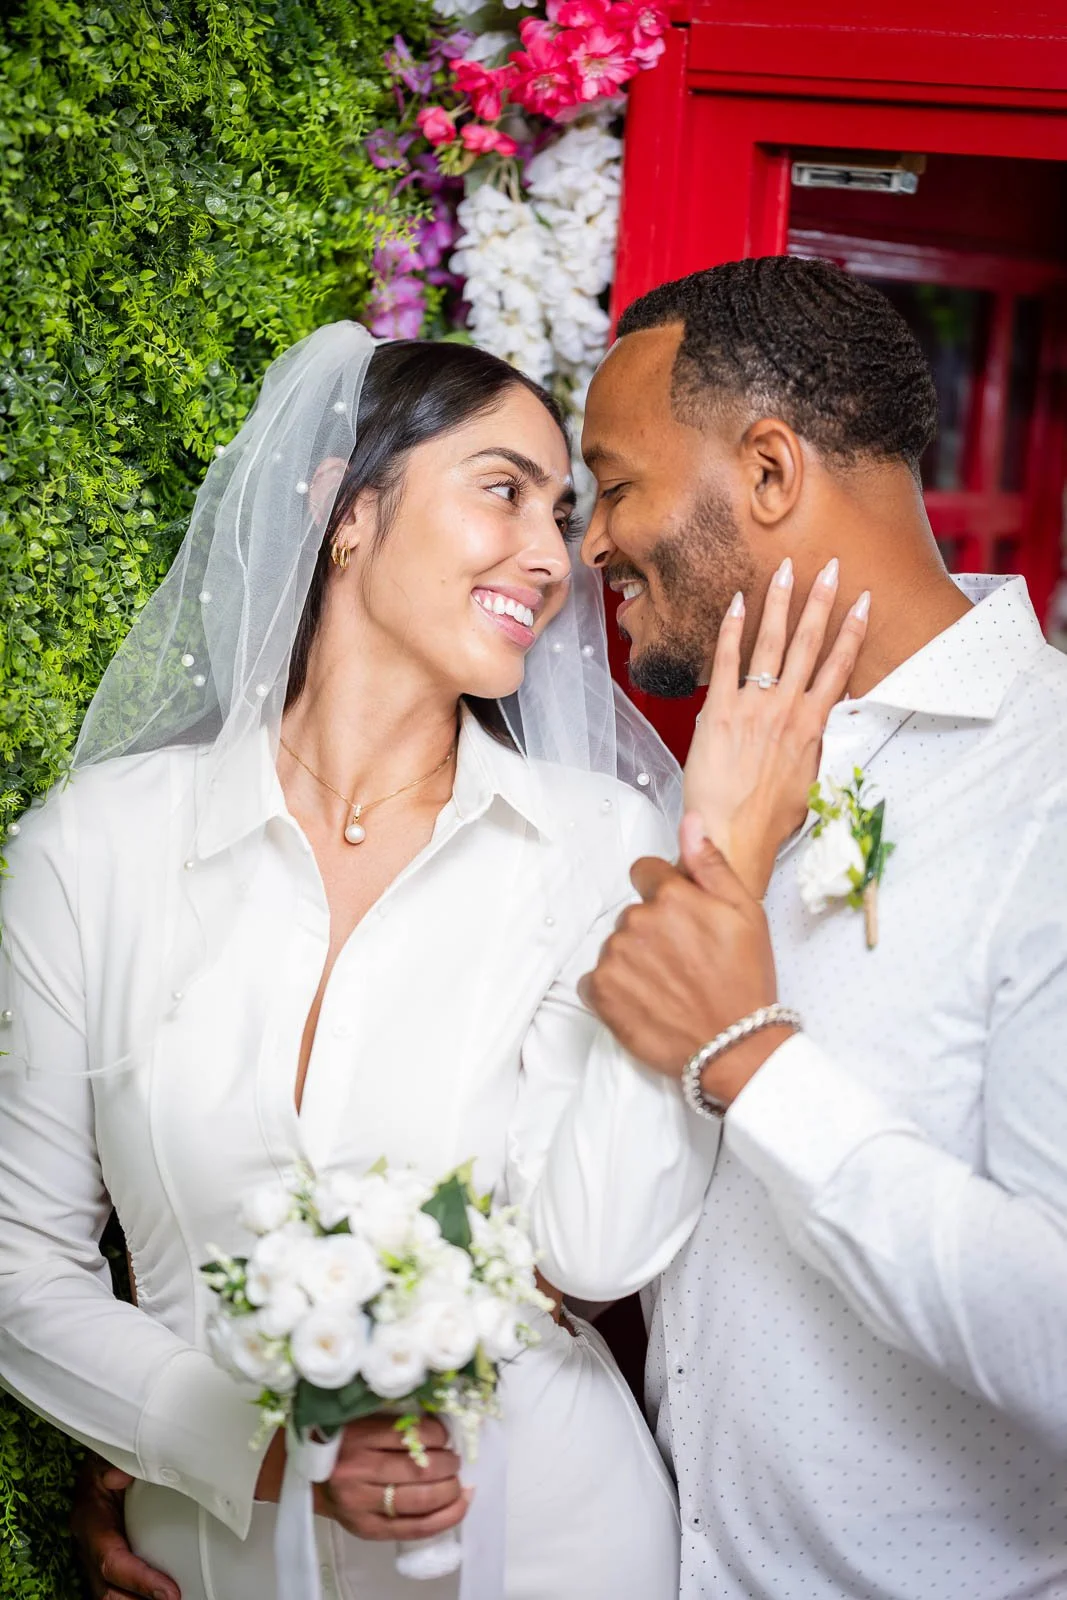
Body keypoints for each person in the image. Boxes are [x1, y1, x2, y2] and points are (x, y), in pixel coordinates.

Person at [0, 328, 738, 1600]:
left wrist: (703, 865)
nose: (549, 557)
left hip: (545, 1542)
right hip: (219, 1554)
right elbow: (20, 1266)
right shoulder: (97, 850)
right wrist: (256, 1448)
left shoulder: (597, 845)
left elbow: (602, 1246)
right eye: (502, 489)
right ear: (346, 512)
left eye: (562, 513)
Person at [578, 256, 1067, 1599]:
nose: (589, 542)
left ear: (770, 472)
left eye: (613, 484)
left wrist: (749, 1057)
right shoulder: (711, 777)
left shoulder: (1047, 793)